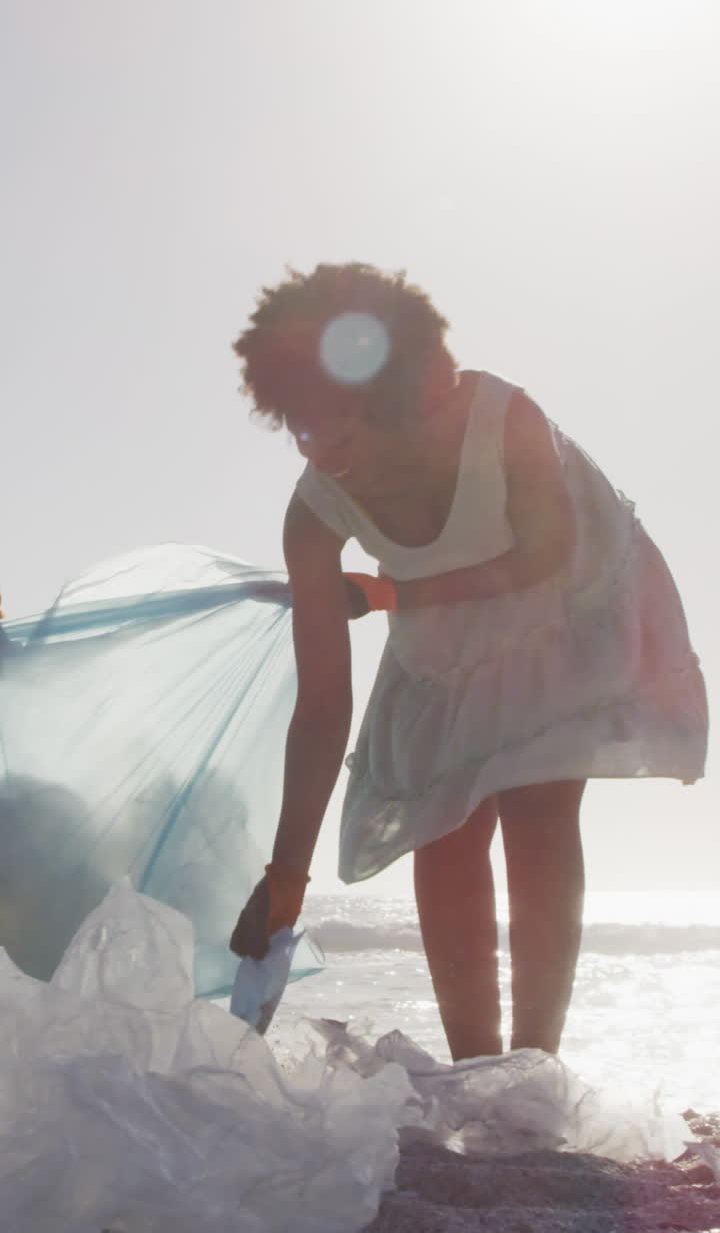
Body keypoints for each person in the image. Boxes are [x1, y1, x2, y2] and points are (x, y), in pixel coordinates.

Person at [229, 262, 708, 1060]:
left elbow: (543, 556)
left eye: (345, 434)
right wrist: (286, 879)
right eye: (305, 435)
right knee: (442, 830)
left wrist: (390, 596)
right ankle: (477, 1068)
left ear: (413, 399)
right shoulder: (313, 513)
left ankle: (535, 1063)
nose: (330, 461)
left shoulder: (502, 419)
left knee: (539, 808)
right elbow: (321, 709)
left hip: (558, 608)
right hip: (442, 646)